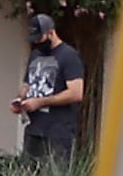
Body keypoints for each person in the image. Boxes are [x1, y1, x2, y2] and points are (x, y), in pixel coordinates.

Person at [18, 9, 93, 167]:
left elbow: (76, 93)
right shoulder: (35, 55)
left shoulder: (69, 56)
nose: (37, 42)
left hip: (58, 132)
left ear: (51, 33)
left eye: (40, 38)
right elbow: (27, 84)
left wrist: (41, 102)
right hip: (34, 129)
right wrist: (20, 100)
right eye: (35, 39)